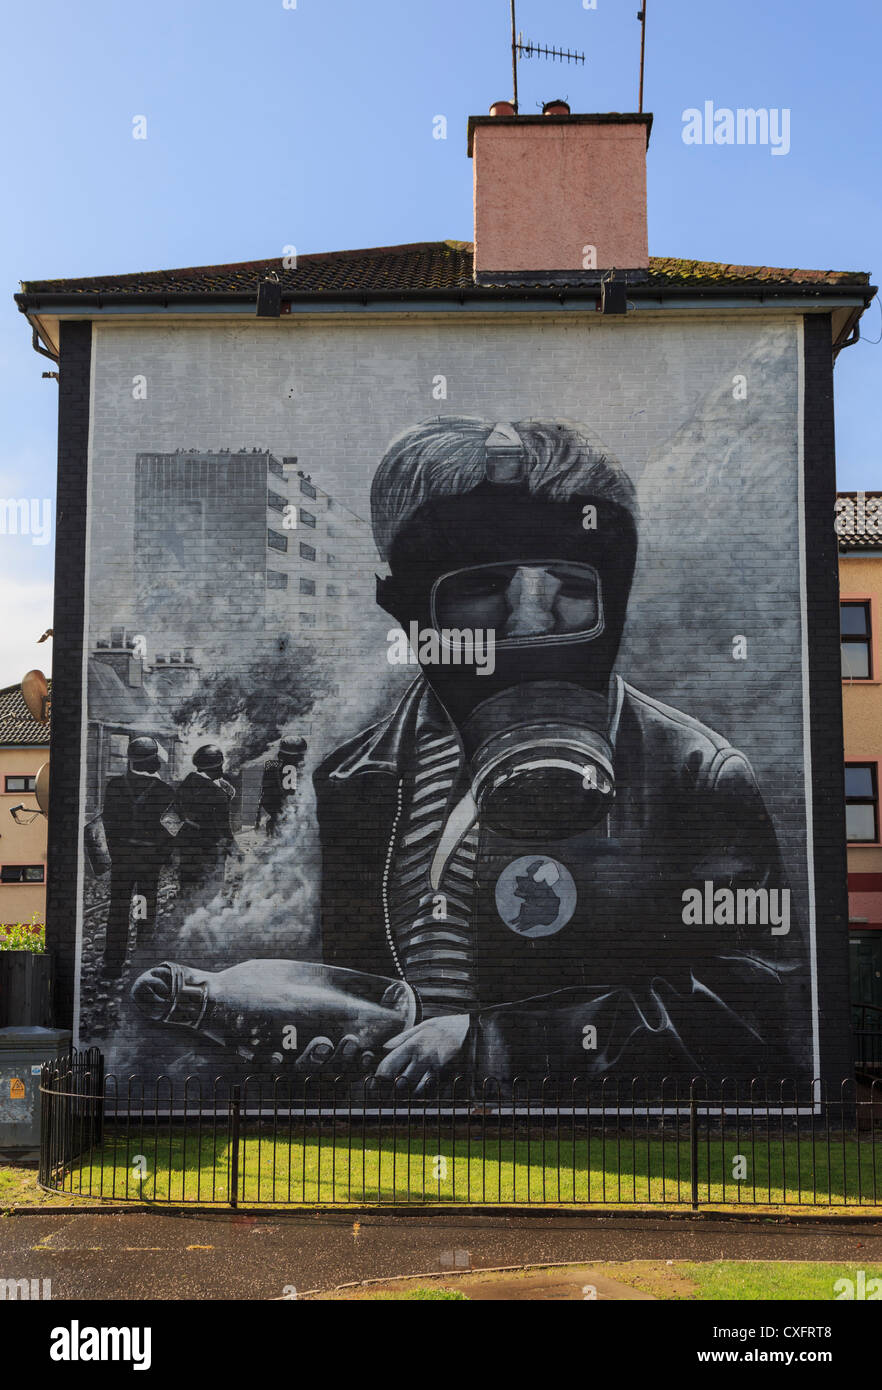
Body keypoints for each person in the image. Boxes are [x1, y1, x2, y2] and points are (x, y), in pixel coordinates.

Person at [134, 418, 805, 1089]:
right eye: (486, 587)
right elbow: (369, 998)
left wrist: (503, 1049)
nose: (534, 619)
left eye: (572, 588)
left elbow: (749, 1012)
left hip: (577, 1154)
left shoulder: (694, 776)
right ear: (405, 609)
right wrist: (340, 1051)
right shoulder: (355, 782)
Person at [101, 736, 175, 977]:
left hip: (122, 859)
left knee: (118, 908)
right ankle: (141, 960)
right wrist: (162, 857)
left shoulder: (114, 787)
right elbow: (171, 831)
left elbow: (108, 825)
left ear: (130, 761)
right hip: (148, 862)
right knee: (144, 905)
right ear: (154, 761)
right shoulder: (165, 791)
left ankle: (112, 965)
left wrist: (115, 852)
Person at [176, 745, 236, 893]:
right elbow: (223, 827)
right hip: (209, 850)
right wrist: (232, 847)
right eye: (220, 766)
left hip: (187, 848)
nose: (222, 770)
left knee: (188, 888)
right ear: (215, 767)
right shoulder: (217, 794)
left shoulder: (187, 782)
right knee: (208, 891)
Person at [256, 735, 307, 835]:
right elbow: (291, 798)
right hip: (283, 816)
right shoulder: (293, 769)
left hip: (268, 811)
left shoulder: (271, 764)